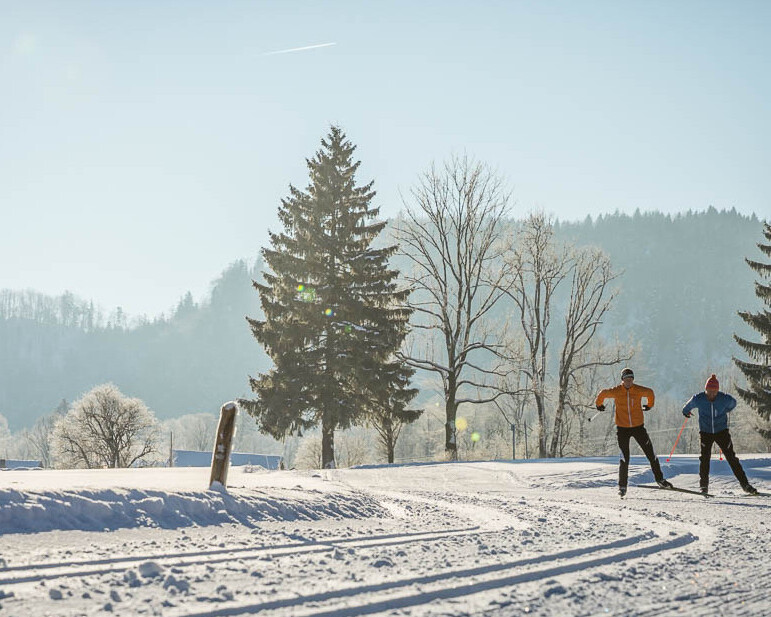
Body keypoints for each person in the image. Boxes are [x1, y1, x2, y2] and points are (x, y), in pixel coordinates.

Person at [595, 367, 673, 497]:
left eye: (630, 379)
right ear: (622, 380)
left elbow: (650, 393)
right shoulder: (616, 391)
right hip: (622, 429)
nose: (628, 382)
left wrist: (649, 405)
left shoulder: (638, 390)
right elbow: (603, 393)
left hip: (638, 428)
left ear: (633, 379)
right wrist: (599, 404)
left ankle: (660, 480)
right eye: (626, 379)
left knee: (651, 454)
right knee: (624, 458)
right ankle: (622, 486)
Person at [682, 374, 758, 495]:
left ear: (718, 390)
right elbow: (686, 407)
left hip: (722, 432)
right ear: (705, 389)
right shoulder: (698, 398)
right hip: (706, 432)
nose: (711, 394)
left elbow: (733, 403)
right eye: (709, 391)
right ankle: (704, 487)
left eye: (714, 392)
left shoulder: (724, 398)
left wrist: (726, 410)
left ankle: (745, 485)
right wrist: (686, 412)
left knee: (731, 458)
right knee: (705, 459)